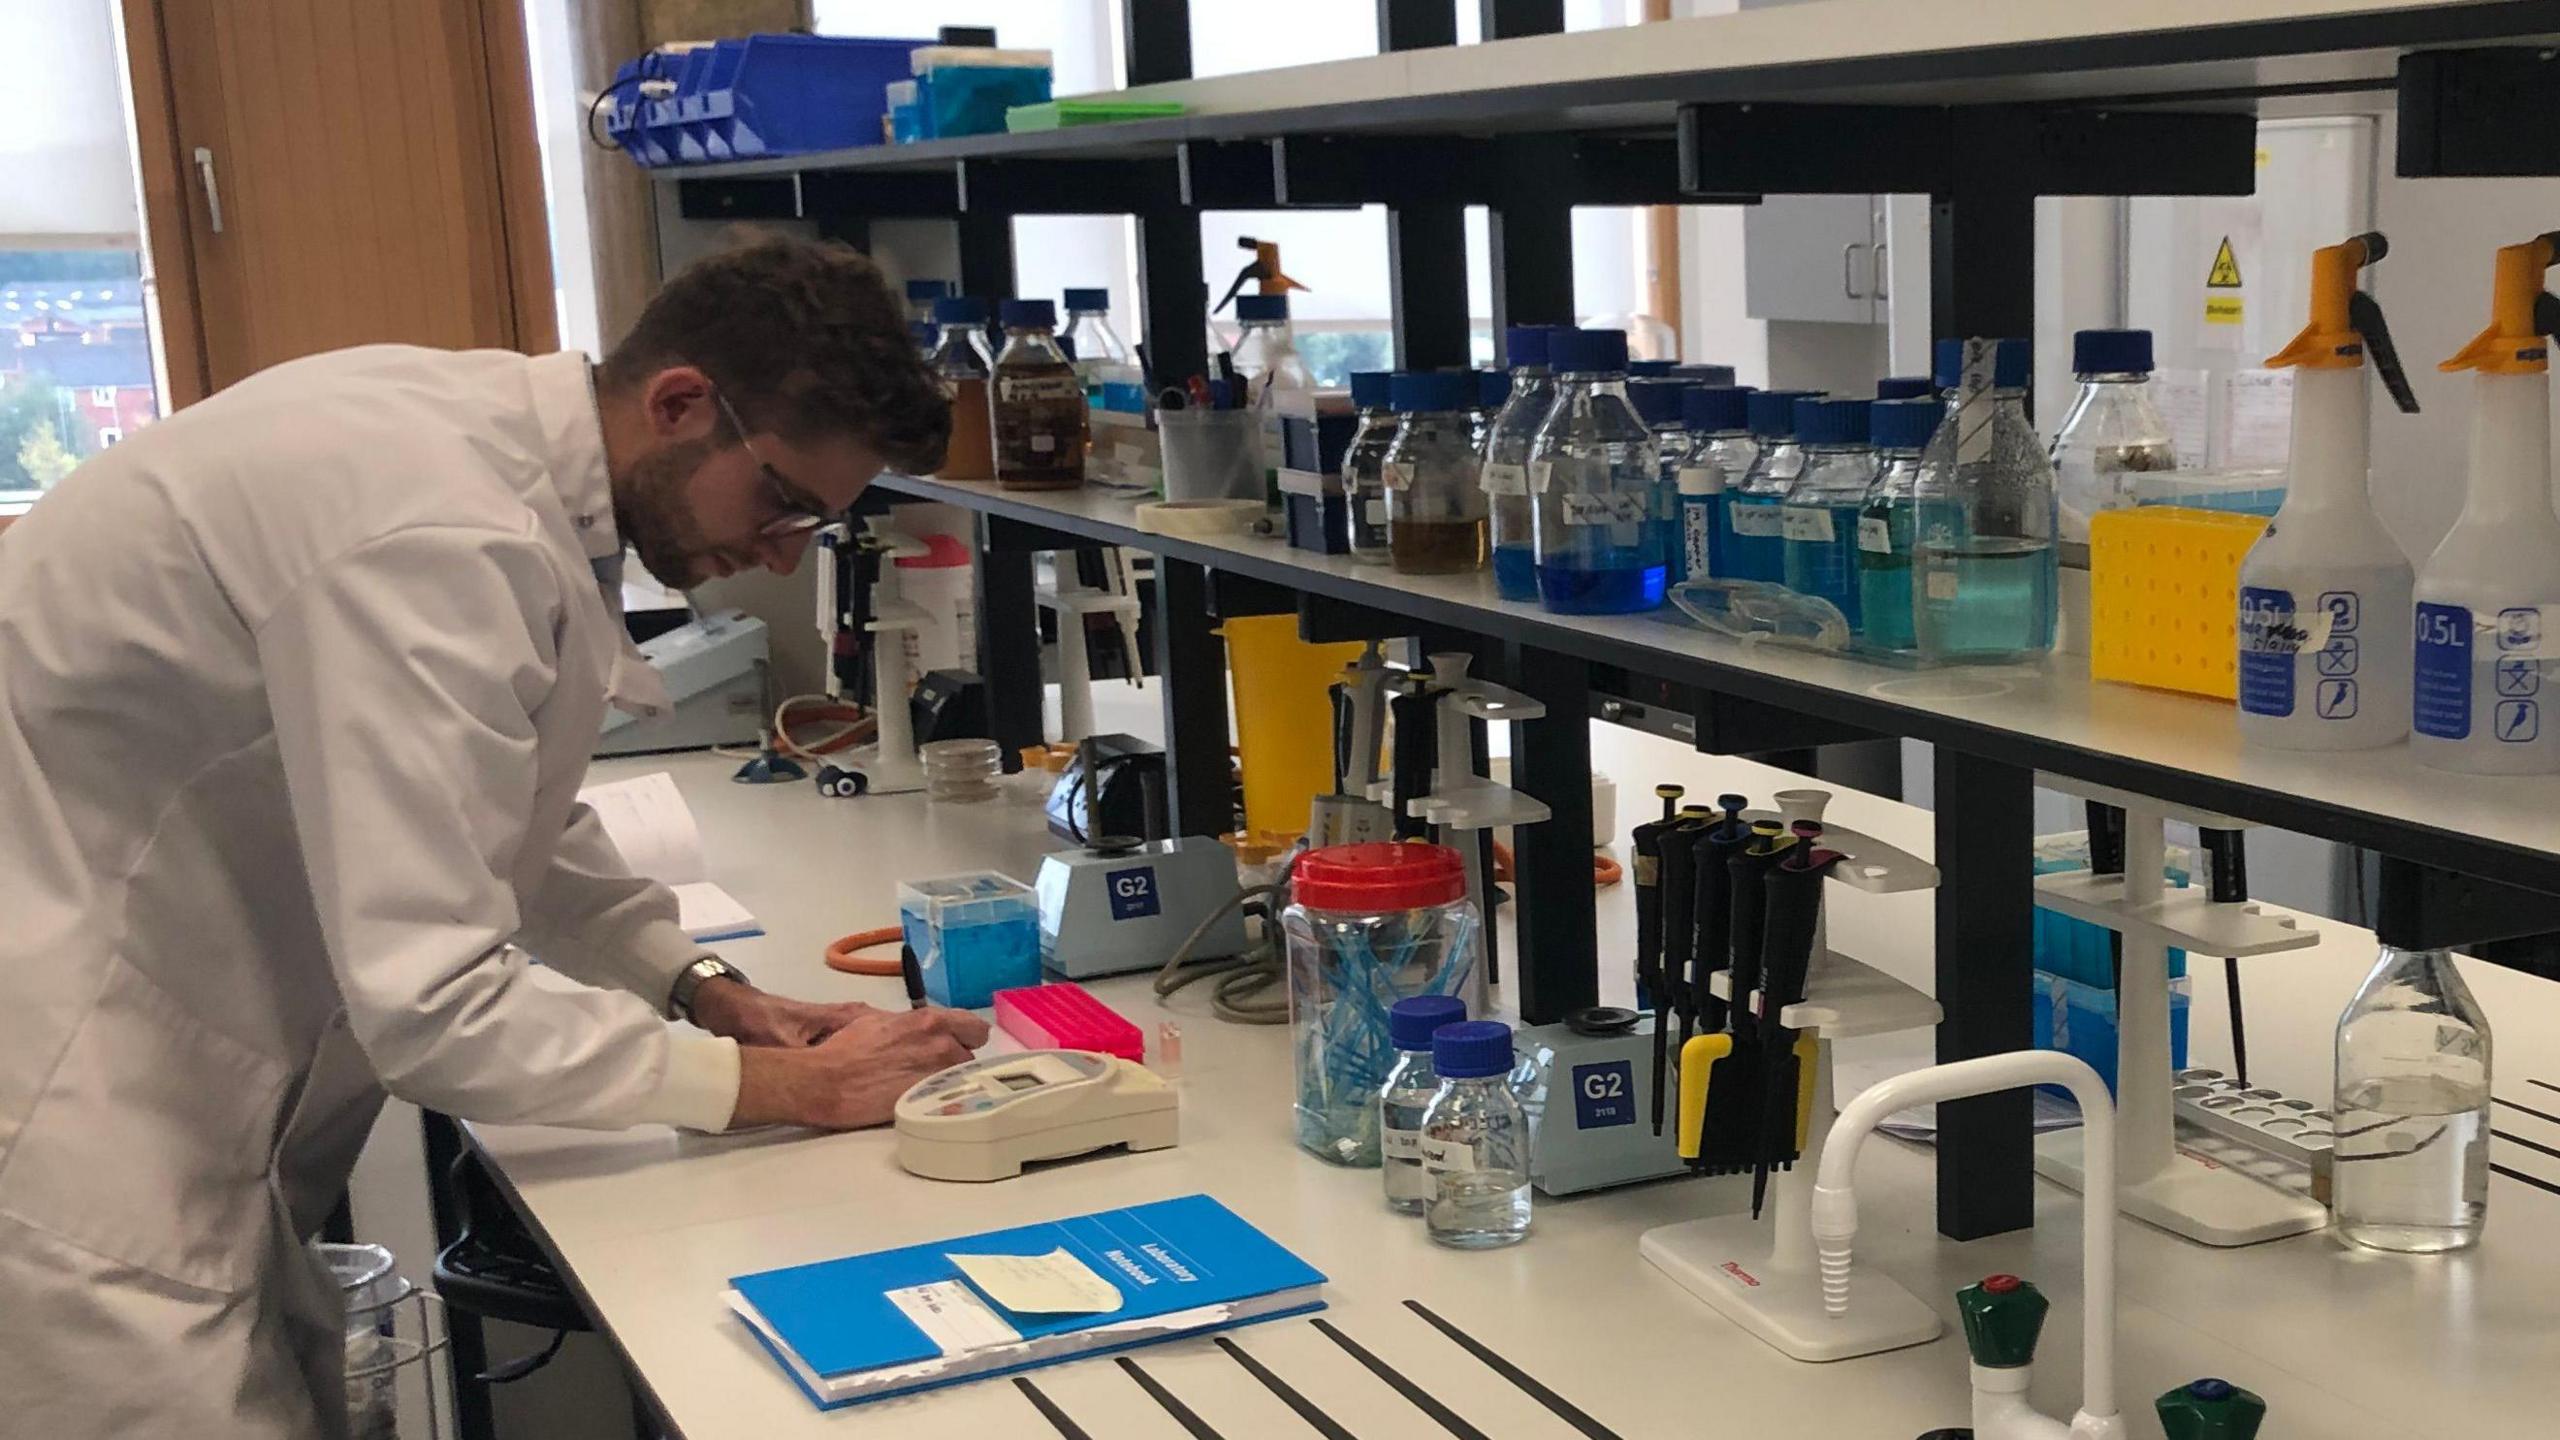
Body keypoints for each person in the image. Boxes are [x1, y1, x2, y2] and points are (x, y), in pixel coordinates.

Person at [0, 236, 992, 1437]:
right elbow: (435, 1008)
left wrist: (701, 986)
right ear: (681, 403)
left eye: (817, 524)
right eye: (783, 500)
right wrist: (783, 1086)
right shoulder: (432, 526)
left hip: (164, 1060)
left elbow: (497, 804)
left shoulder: (497, 462)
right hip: (70, 1114)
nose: (784, 550)